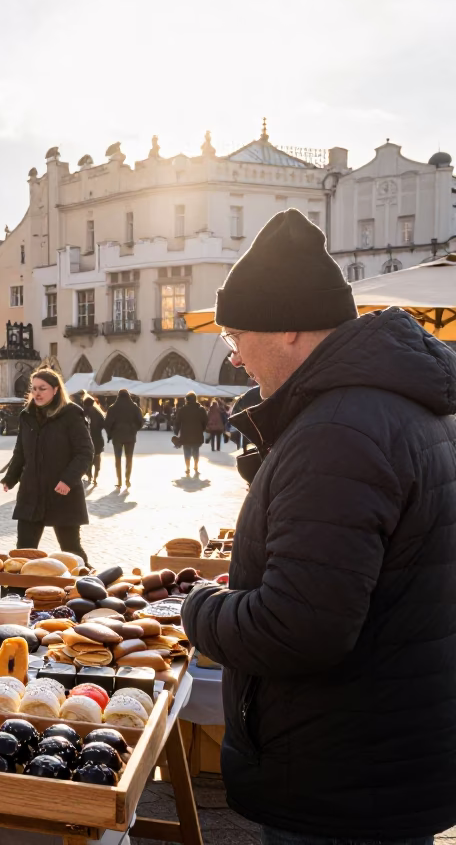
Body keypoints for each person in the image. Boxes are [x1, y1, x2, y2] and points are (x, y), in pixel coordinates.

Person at [181, 208, 456, 842]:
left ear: (290, 330)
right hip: (384, 753)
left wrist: (199, 609)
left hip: (343, 773)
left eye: (237, 336)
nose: (236, 359)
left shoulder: (340, 431)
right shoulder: (386, 406)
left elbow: (298, 626)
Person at [1, 368, 93, 560]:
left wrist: (68, 480)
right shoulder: (27, 415)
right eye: (34, 388)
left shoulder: (71, 414)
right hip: (31, 493)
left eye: (42, 388)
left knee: (71, 550)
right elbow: (20, 451)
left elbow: (85, 452)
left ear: (56, 389)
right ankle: (18, 590)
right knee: (23, 552)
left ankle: (86, 588)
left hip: (62, 492)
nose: (37, 393)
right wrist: (11, 477)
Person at [102, 388, 142, 489]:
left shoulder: (113, 408)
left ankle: (119, 481)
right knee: (129, 458)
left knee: (118, 458)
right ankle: (127, 479)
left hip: (117, 436)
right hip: (130, 436)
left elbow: (107, 424)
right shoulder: (134, 407)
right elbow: (141, 422)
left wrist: (110, 434)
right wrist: (134, 429)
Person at [174, 391, 208, 477]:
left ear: (187, 400)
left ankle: (187, 467)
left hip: (185, 434)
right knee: (196, 450)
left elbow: (178, 421)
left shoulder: (183, 409)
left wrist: (176, 431)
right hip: (197, 434)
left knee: (187, 451)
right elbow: (206, 421)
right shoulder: (201, 409)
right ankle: (196, 465)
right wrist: (202, 429)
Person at [81, 395, 106, 486]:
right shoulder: (98, 412)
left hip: (86, 439)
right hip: (98, 439)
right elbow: (104, 424)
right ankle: (95, 477)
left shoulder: (82, 412)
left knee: (88, 458)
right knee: (97, 457)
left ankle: (89, 476)